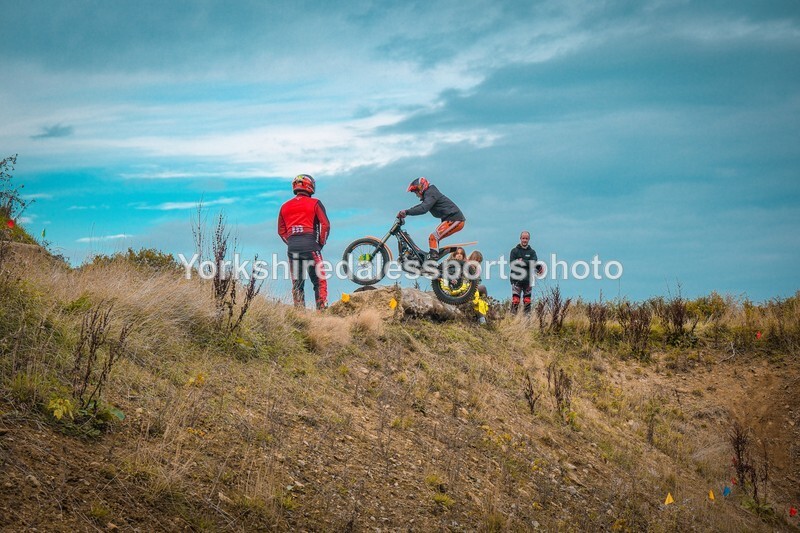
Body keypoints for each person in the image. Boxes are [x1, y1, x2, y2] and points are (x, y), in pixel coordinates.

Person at [278, 174, 330, 310]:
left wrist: (291, 242)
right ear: (310, 186)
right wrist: (320, 243)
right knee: (319, 279)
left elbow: (281, 231)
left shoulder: (284, 206)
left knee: (297, 282)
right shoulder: (315, 203)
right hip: (311, 244)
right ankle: (322, 308)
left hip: (292, 247)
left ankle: (299, 312)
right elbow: (325, 225)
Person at [397, 177, 465, 261]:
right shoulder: (430, 194)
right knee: (434, 239)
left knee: (433, 237)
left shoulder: (431, 193)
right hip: (451, 219)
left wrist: (406, 212)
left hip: (455, 219)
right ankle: (433, 257)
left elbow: (423, 208)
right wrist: (407, 211)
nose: (416, 194)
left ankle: (432, 260)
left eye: (416, 191)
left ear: (421, 187)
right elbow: (421, 206)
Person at [509, 231, 543, 315]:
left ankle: (527, 321)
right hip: (516, 279)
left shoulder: (532, 252)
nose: (524, 240)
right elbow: (513, 264)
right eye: (523, 238)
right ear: (520, 238)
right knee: (515, 300)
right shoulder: (514, 251)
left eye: (526, 238)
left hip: (528, 280)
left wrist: (521, 261)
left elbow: (534, 262)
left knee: (527, 300)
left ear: (529, 239)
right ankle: (513, 319)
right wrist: (528, 263)